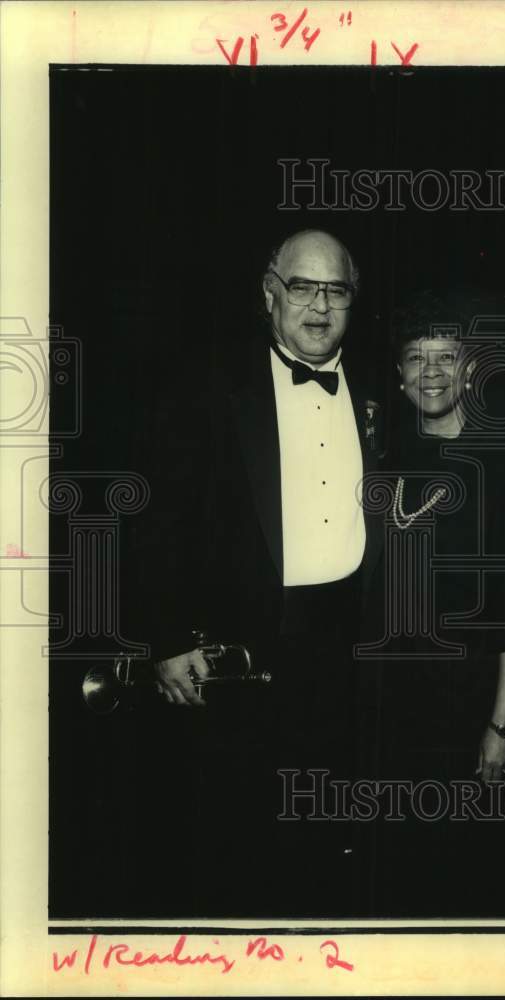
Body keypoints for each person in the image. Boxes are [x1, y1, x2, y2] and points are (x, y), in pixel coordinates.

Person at [132, 229, 382, 915]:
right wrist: (164, 638)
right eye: (303, 286)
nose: (319, 306)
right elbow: (158, 523)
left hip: (348, 645)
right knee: (237, 836)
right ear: (269, 292)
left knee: (329, 827)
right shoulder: (207, 385)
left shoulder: (381, 392)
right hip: (243, 643)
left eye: (336, 290)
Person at [362, 288, 505, 916]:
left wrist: (502, 724)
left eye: (446, 356)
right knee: (393, 871)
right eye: (416, 358)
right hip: (385, 698)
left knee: (464, 872)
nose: (431, 372)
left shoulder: (501, 467)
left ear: (468, 368)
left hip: (467, 698)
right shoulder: (381, 458)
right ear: (399, 374)